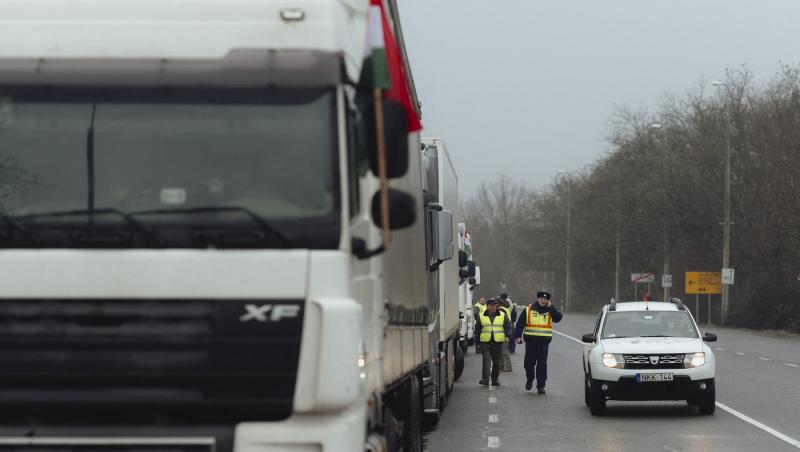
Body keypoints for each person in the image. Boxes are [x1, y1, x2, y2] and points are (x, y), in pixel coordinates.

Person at [514, 291, 563, 393]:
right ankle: (530, 379)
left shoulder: (550, 310)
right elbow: (519, 324)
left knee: (542, 365)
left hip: (544, 343)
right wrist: (518, 336)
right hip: (531, 342)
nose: (543, 301)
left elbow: (558, 318)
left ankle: (541, 386)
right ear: (538, 299)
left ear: (548, 301)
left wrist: (551, 307)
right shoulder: (528, 309)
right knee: (529, 364)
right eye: (541, 299)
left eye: (545, 299)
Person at [476, 298, 512, 387]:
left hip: (498, 342)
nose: (493, 307)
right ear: (487, 306)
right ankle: (485, 380)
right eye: (491, 306)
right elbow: (477, 330)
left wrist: (507, 336)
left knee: (496, 363)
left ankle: (495, 379)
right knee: (486, 361)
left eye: (494, 306)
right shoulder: (481, 316)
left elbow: (508, 326)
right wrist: (477, 342)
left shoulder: (502, 315)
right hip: (485, 342)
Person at [498, 293, 516, 371]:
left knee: (504, 351)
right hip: (508, 328)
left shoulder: (501, 309)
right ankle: (502, 366)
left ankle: (508, 367)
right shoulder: (508, 306)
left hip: (503, 331)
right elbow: (514, 313)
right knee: (502, 351)